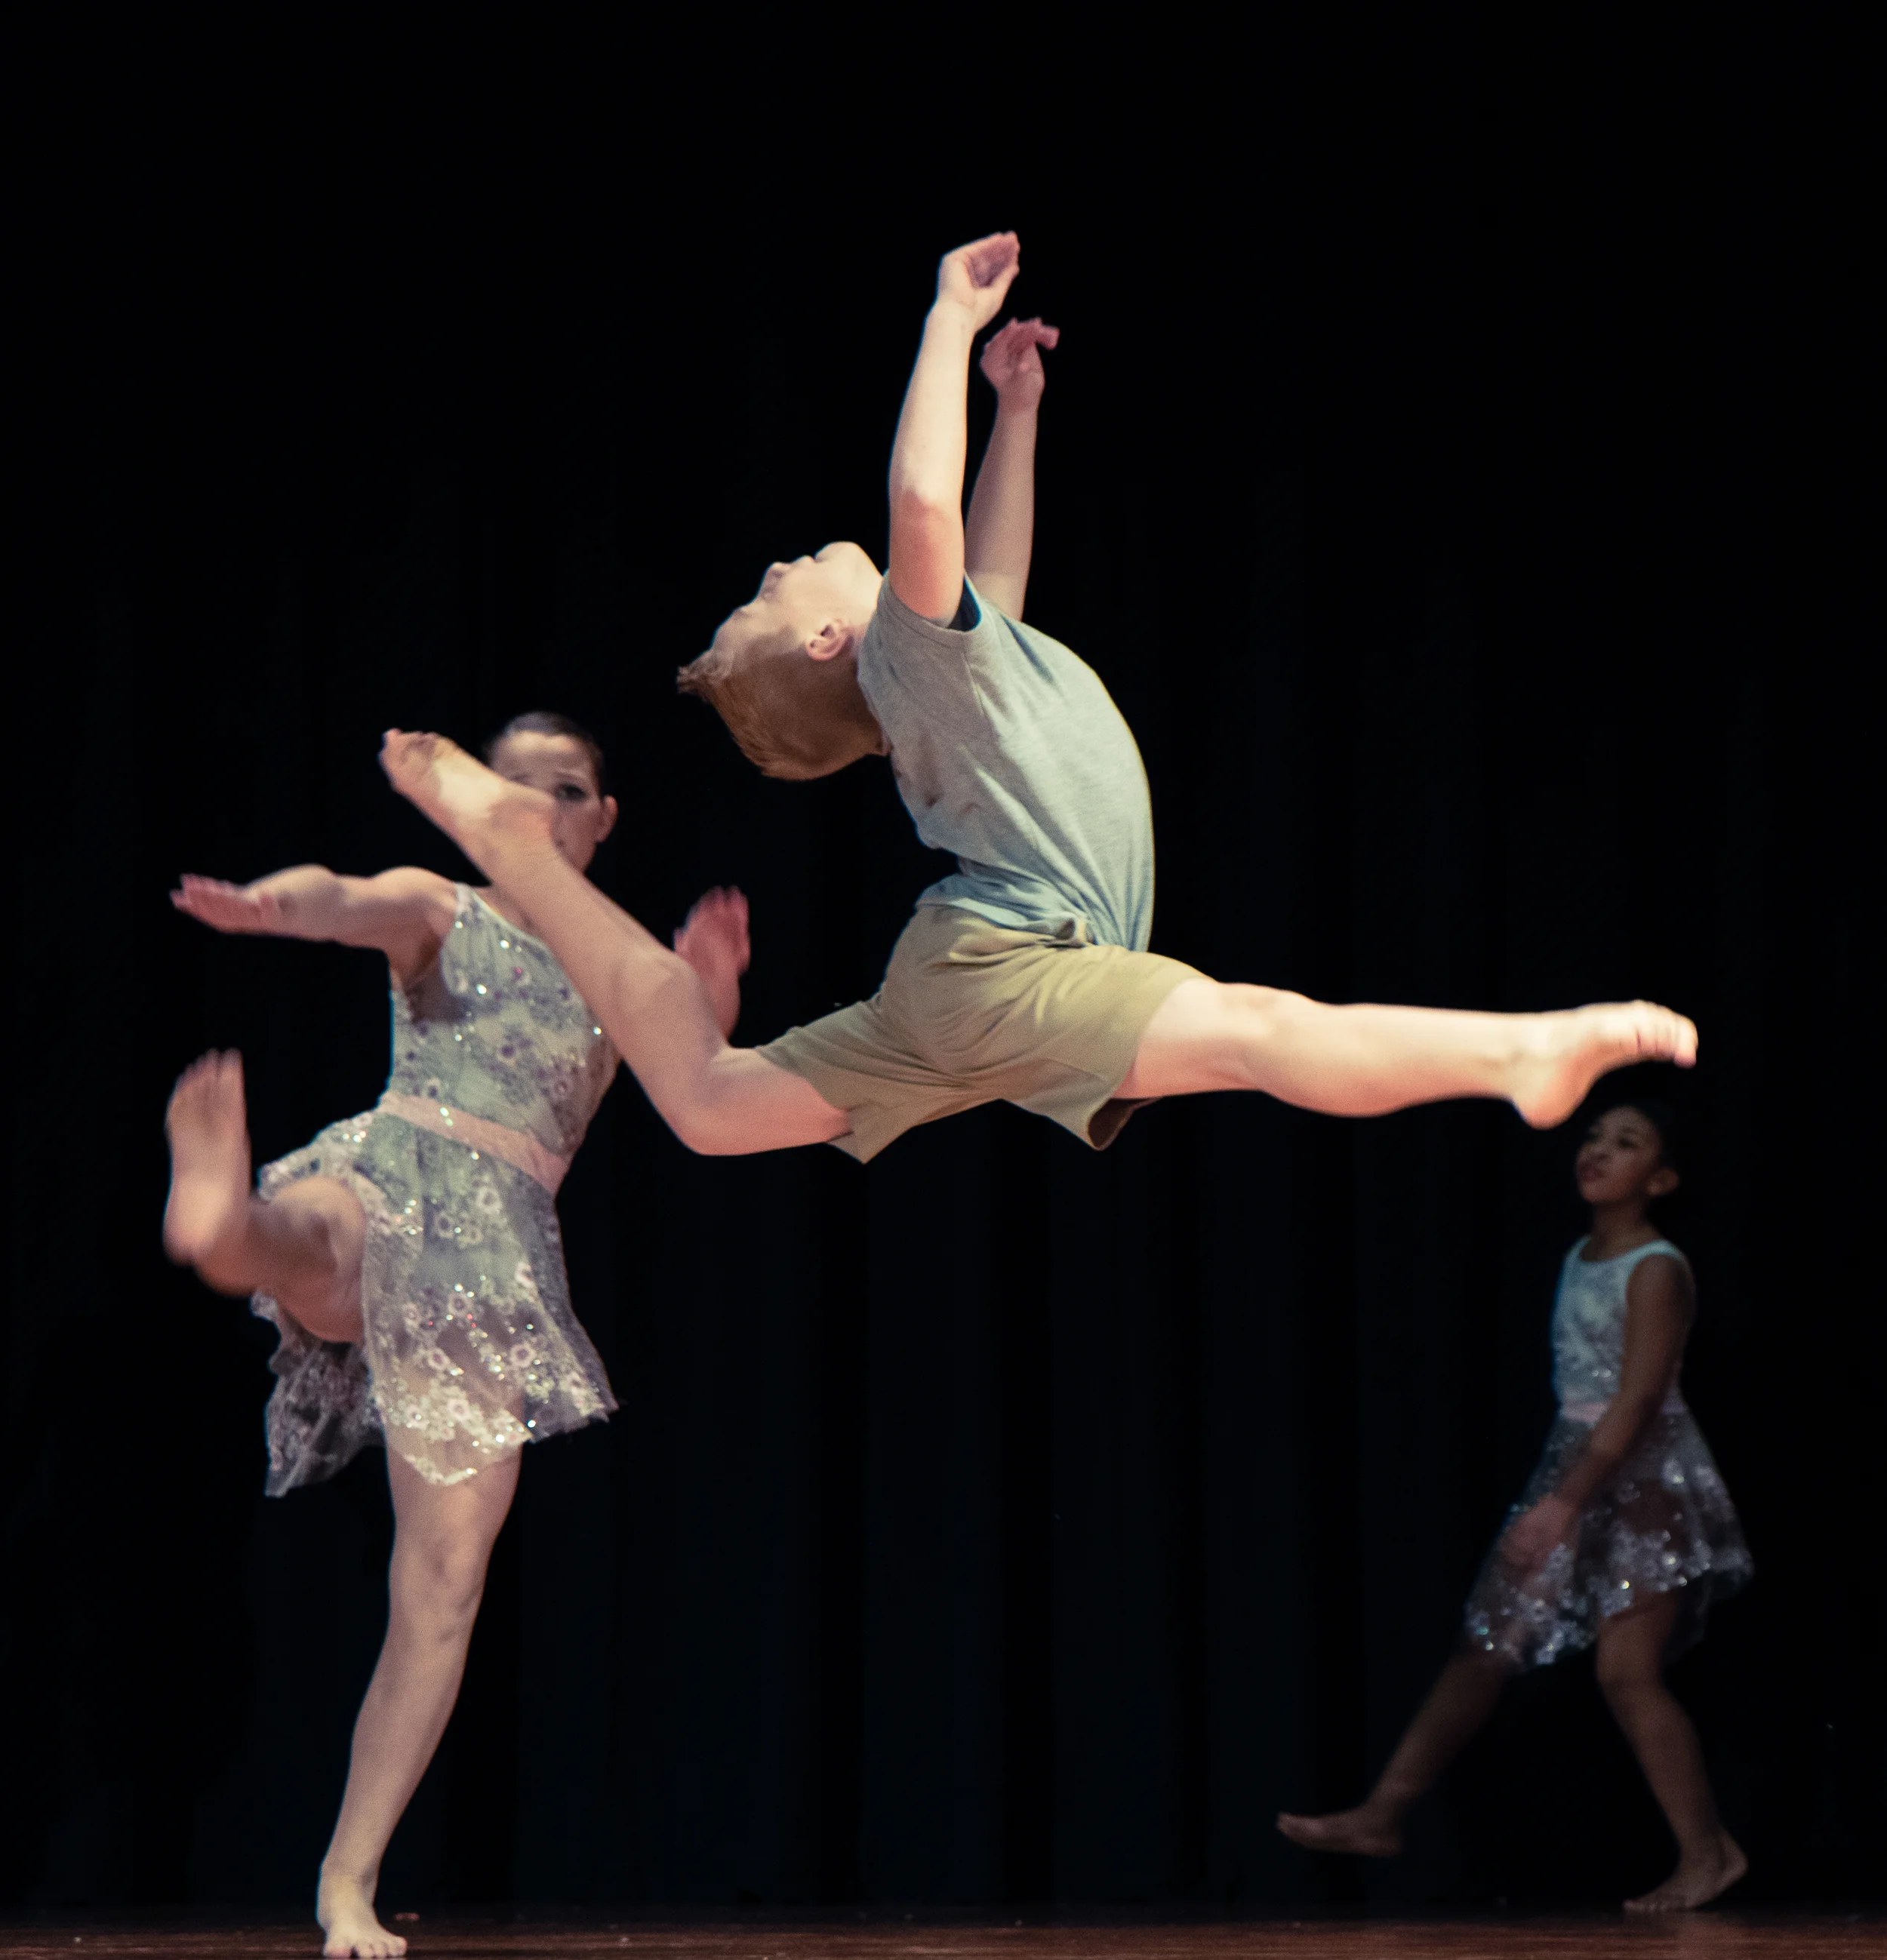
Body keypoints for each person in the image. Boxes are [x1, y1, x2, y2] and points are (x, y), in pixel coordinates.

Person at [375, 232, 1697, 1169]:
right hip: (1008, 961)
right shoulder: (906, 650)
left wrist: (1018, 412)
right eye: (771, 591)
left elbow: (990, 571)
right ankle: (1518, 1054)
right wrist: (947, 324)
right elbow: (922, 505)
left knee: (715, 1106)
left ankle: (519, 854)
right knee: (1259, 1029)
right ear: (836, 637)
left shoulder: (955, 663)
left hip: (983, 973)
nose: (778, 563)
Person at [162, 712, 746, 1960]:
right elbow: (350, 899)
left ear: (603, 819)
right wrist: (270, 908)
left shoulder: (622, 969)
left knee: (441, 1589)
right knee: (317, 1242)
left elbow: (698, 1061)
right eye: (508, 785)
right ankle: (221, 1224)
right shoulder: (447, 906)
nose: (534, 807)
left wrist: (713, 981)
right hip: (401, 1163)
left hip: (494, 1259)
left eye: (564, 789)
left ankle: (348, 1881)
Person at [1277, 1099, 1753, 1912]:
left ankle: (1708, 1852)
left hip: (1645, 1478)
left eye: (1627, 1142)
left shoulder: (1657, 1267)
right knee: (1486, 1643)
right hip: (1577, 1461)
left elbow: (1638, 1399)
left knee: (1626, 1672)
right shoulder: (1580, 1253)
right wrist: (1561, 1491)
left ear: (1662, 1177)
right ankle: (1382, 1813)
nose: (1598, 1149)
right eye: (1595, 1135)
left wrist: (1562, 1503)